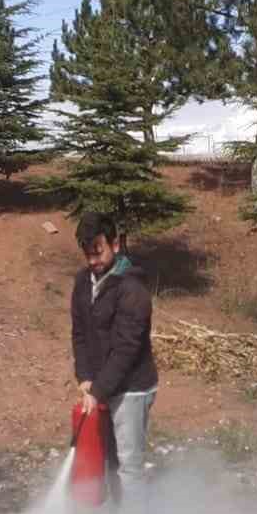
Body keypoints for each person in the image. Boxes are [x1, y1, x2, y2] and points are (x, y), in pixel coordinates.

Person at [70, 212, 158, 496]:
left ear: (115, 245)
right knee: (107, 459)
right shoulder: (83, 282)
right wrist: (84, 376)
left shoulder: (132, 288)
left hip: (132, 387)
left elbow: (126, 350)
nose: (93, 261)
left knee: (129, 466)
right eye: (88, 254)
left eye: (99, 251)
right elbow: (79, 333)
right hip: (102, 385)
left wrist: (97, 390)